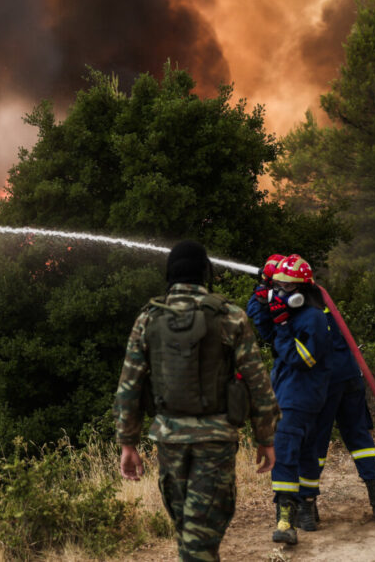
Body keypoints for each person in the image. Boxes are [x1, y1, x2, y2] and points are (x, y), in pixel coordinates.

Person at [115, 239, 281, 562]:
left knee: (192, 539)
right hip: (215, 441)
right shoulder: (231, 316)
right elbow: (259, 382)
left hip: (169, 442)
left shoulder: (147, 319)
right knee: (196, 539)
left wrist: (127, 443)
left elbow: (129, 386)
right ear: (206, 273)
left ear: (170, 275)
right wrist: (266, 437)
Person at [296, 304, 375, 528]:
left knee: (315, 444)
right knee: (360, 439)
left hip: (326, 382)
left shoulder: (299, 309)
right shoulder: (326, 307)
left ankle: (307, 508)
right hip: (350, 376)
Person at [262, 253, 330, 545]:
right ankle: (307, 513)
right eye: (276, 286)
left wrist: (282, 327)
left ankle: (286, 519)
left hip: (297, 397)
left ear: (302, 291)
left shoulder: (311, 318)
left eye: (286, 288)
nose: (279, 293)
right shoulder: (295, 315)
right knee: (306, 454)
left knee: (285, 455)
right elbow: (264, 327)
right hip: (304, 396)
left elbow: (303, 358)